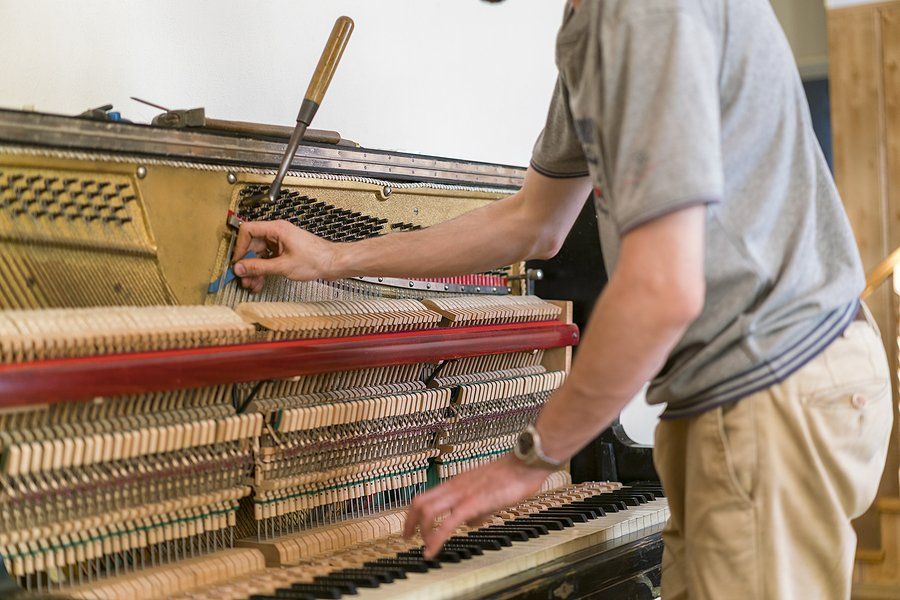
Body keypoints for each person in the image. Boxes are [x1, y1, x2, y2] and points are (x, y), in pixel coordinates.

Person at [231, 0, 893, 597]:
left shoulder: (638, 14)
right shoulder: (595, 24)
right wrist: (333, 258)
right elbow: (534, 225)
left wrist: (527, 463)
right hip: (743, 392)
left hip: (769, 390)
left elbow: (662, 289)